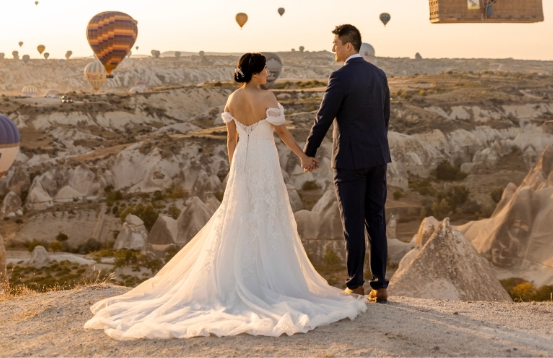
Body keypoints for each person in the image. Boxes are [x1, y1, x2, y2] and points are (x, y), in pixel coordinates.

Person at [84, 53, 365, 339]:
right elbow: (282, 133)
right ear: (256, 73)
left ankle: (235, 278)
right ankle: (268, 280)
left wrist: (234, 170)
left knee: (239, 217)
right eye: (265, 69)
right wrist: (304, 157)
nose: (268, 72)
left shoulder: (232, 99)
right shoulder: (268, 99)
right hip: (263, 161)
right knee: (267, 215)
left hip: (243, 160)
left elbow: (232, 139)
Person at [303, 25, 392, 304]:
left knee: (352, 224)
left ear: (349, 46)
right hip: (377, 157)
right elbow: (384, 116)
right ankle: (380, 286)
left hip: (350, 160)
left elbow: (324, 117)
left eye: (335, 44)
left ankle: (355, 285)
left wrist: (309, 151)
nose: (333, 49)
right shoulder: (378, 75)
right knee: (376, 222)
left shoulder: (340, 76)